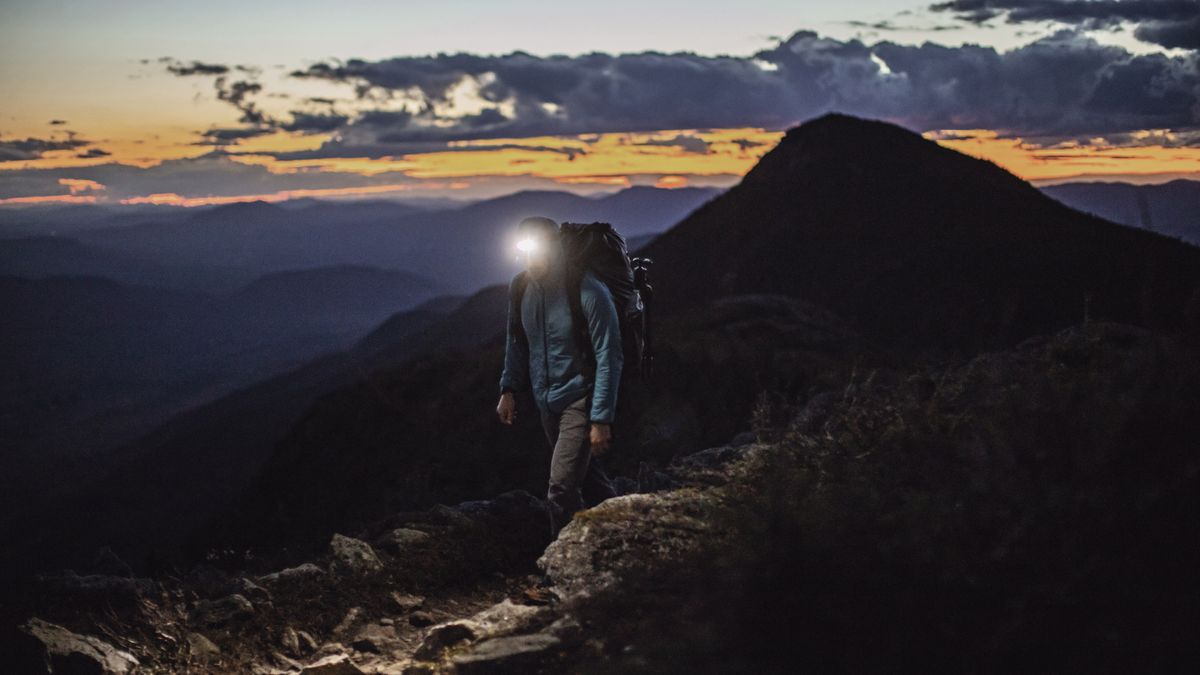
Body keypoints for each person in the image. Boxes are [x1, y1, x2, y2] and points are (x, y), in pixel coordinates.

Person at [496, 215, 621, 537]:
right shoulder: (521, 287)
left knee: (561, 487)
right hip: (545, 402)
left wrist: (601, 418)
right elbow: (516, 339)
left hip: (581, 398)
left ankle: (561, 565)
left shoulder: (588, 289)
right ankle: (627, 534)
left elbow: (610, 355)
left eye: (538, 250)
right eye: (524, 251)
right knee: (590, 480)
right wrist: (508, 389)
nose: (531, 259)